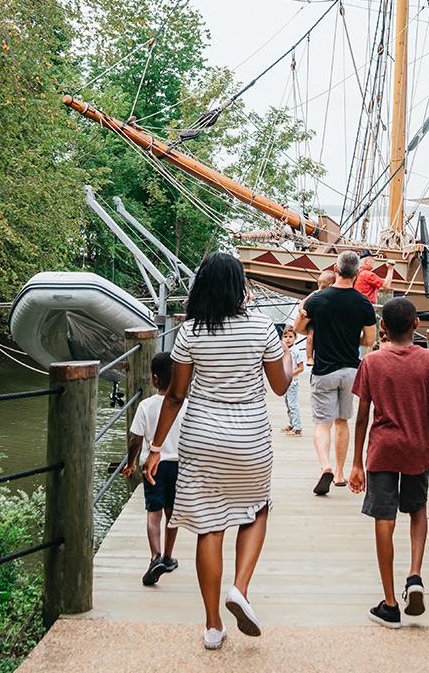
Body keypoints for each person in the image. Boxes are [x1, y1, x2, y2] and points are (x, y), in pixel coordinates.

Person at [147, 252, 291, 651]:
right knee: (257, 508)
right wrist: (290, 355)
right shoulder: (262, 327)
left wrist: (156, 447)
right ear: (239, 286)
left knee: (210, 526)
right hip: (250, 440)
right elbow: (281, 386)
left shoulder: (189, 333)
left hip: (202, 440)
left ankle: (213, 626)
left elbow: (175, 396)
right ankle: (240, 589)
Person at [348, 297, 429, 628]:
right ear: (416, 325)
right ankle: (414, 575)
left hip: (382, 450)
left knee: (384, 519)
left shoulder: (371, 362)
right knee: (417, 510)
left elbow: (361, 418)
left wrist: (355, 463)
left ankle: (390, 602)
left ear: (382, 326)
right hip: (417, 449)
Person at [296, 250, 378, 495]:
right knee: (343, 422)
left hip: (323, 370)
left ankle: (325, 466)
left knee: (323, 423)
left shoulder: (318, 299)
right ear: (356, 273)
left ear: (336, 268)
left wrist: (304, 306)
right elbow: (369, 341)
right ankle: (340, 475)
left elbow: (300, 330)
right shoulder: (364, 303)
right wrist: (354, 335)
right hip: (350, 370)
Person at [124, 351, 186, 586]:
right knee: (172, 512)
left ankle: (155, 556)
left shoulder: (146, 406)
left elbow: (135, 441)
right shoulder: (185, 405)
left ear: (155, 378)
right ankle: (169, 557)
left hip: (154, 466)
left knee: (154, 512)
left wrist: (131, 463)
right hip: (178, 465)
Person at [280, 327, 307, 435]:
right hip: (285, 382)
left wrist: (290, 374)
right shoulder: (282, 350)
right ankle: (291, 424)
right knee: (288, 404)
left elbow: (301, 368)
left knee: (293, 405)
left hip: (292, 383)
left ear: (295, 338)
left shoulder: (295, 351)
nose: (287, 339)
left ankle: (297, 427)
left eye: (290, 337)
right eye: (285, 337)